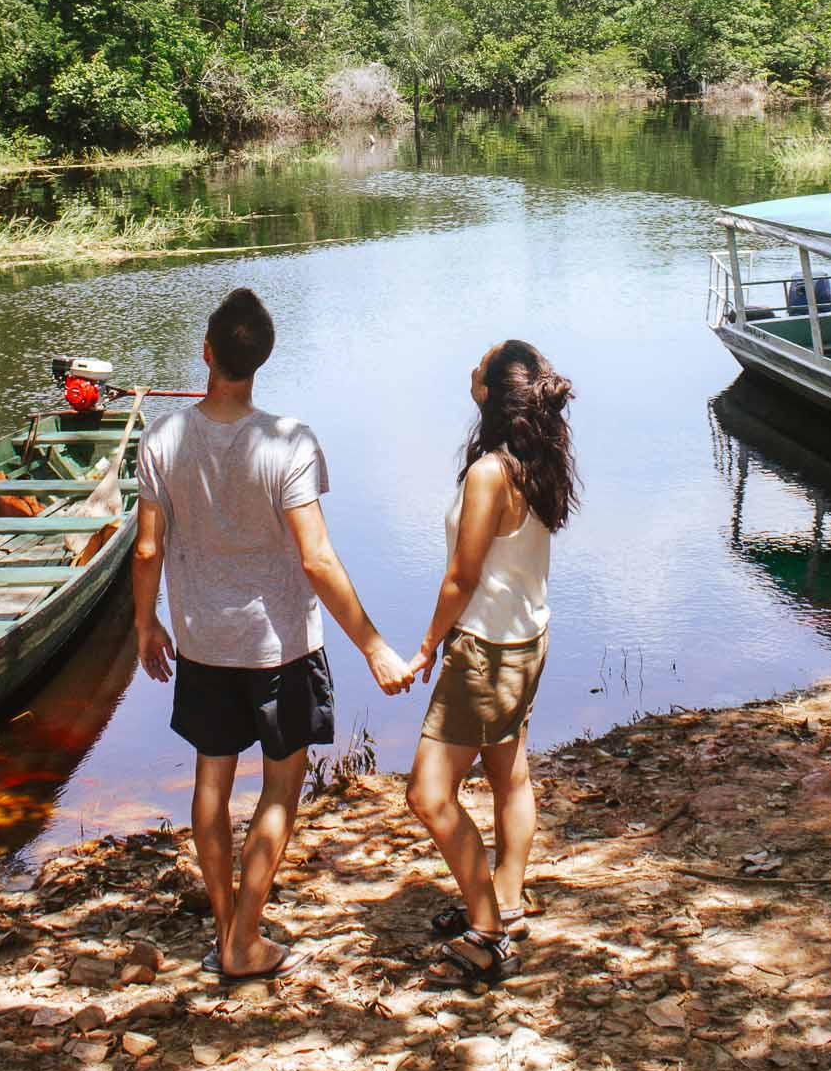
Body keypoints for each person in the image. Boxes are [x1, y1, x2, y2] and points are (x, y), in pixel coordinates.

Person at [133, 286, 414, 983]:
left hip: (202, 642)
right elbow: (316, 557)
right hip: (281, 647)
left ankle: (229, 921)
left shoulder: (162, 439)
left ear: (206, 352)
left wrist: (146, 623)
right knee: (280, 789)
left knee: (211, 777)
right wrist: (374, 643)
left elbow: (145, 550)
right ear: (261, 359)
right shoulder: (288, 440)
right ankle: (244, 937)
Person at [405, 338, 579, 987]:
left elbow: (462, 576)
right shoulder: (535, 455)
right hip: (527, 636)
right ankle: (506, 897)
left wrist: (427, 645)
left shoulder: (488, 473)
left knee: (428, 793)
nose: (468, 368)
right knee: (509, 773)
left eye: (479, 365)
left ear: (491, 391)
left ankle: (487, 932)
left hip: (486, 647)